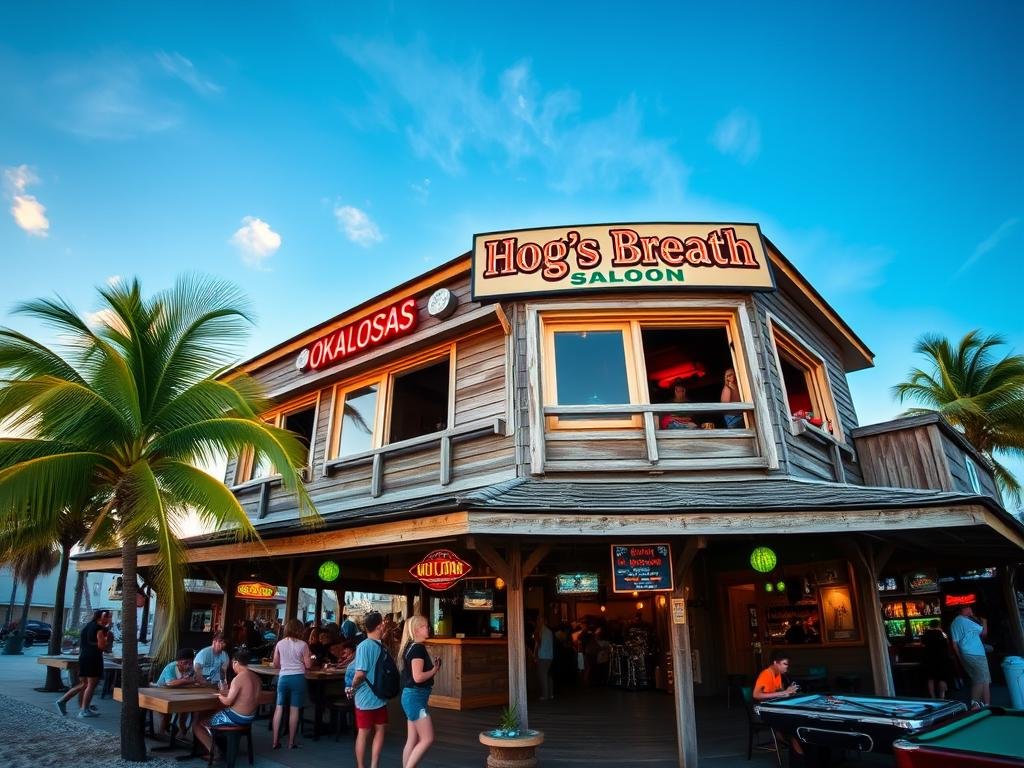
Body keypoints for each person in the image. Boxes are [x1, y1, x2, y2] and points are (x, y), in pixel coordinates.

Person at [194, 650, 261, 760]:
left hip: (237, 718)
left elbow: (227, 702)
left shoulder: (238, 678)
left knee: (199, 723)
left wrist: (219, 695)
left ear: (235, 662)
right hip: (250, 717)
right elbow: (244, 694)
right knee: (215, 712)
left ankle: (215, 752)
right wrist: (227, 692)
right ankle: (221, 745)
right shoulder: (256, 678)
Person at [347, 611, 389, 768]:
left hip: (364, 697)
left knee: (363, 734)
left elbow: (360, 674)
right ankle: (374, 765)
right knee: (380, 731)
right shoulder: (382, 646)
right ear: (378, 626)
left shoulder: (364, 646)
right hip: (380, 696)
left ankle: (361, 766)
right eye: (383, 623)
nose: (384, 625)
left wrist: (352, 687)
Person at [399, 615, 440, 768]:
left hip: (411, 697)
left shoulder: (410, 647)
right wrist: (434, 670)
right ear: (417, 630)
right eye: (425, 626)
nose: (428, 628)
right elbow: (418, 677)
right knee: (427, 738)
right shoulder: (418, 648)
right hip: (416, 698)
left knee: (412, 739)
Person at [56, 609, 111, 718]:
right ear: (102, 617)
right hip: (93, 658)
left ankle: (62, 701)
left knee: (83, 684)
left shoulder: (88, 626)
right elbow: (101, 646)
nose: (110, 619)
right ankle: (84, 710)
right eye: (108, 617)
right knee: (91, 684)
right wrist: (107, 641)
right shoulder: (100, 629)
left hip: (84, 657)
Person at [753, 651, 805, 762]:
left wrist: (788, 692)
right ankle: (799, 756)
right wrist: (783, 693)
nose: (787, 667)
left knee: (798, 720)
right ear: (776, 663)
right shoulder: (766, 674)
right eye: (785, 664)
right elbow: (756, 695)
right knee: (793, 727)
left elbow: (778, 692)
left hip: (775, 708)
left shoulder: (778, 675)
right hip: (764, 711)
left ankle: (795, 748)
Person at [272, 618, 312, 749]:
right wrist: (302, 659)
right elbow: (308, 665)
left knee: (279, 708)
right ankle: (291, 742)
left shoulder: (280, 644)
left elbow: (275, 664)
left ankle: (275, 741)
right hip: (298, 678)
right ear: (300, 630)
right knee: (294, 710)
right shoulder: (303, 645)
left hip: (283, 678)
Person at [950, 604, 990, 707]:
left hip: (967, 654)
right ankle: (975, 705)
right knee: (981, 679)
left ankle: (984, 705)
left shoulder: (954, 623)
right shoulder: (966, 621)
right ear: (963, 610)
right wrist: (984, 621)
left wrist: (960, 657)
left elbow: (954, 644)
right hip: (976, 653)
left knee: (982, 679)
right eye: (968, 608)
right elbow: (984, 633)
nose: (970, 609)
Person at [155, 648, 198, 734]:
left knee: (186, 707)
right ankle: (162, 732)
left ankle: (182, 727)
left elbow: (195, 680)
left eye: (190, 663)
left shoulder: (191, 668)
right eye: (185, 663)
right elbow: (170, 683)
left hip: (179, 693)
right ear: (178, 662)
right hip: (161, 693)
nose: (188, 666)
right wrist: (188, 681)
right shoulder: (171, 667)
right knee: (168, 712)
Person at [921, 619, 954, 699]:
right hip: (941, 658)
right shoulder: (941, 633)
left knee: (930, 678)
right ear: (938, 625)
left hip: (929, 658)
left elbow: (922, 644)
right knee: (942, 678)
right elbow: (947, 643)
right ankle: (942, 697)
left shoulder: (925, 634)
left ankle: (932, 696)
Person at [534, 616, 555, 701]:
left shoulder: (540, 631)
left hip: (542, 656)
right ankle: (551, 694)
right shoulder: (549, 631)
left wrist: (535, 655)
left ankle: (545, 695)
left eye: (538, 621)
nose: (537, 622)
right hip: (549, 656)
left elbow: (539, 644)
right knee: (548, 676)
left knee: (543, 676)